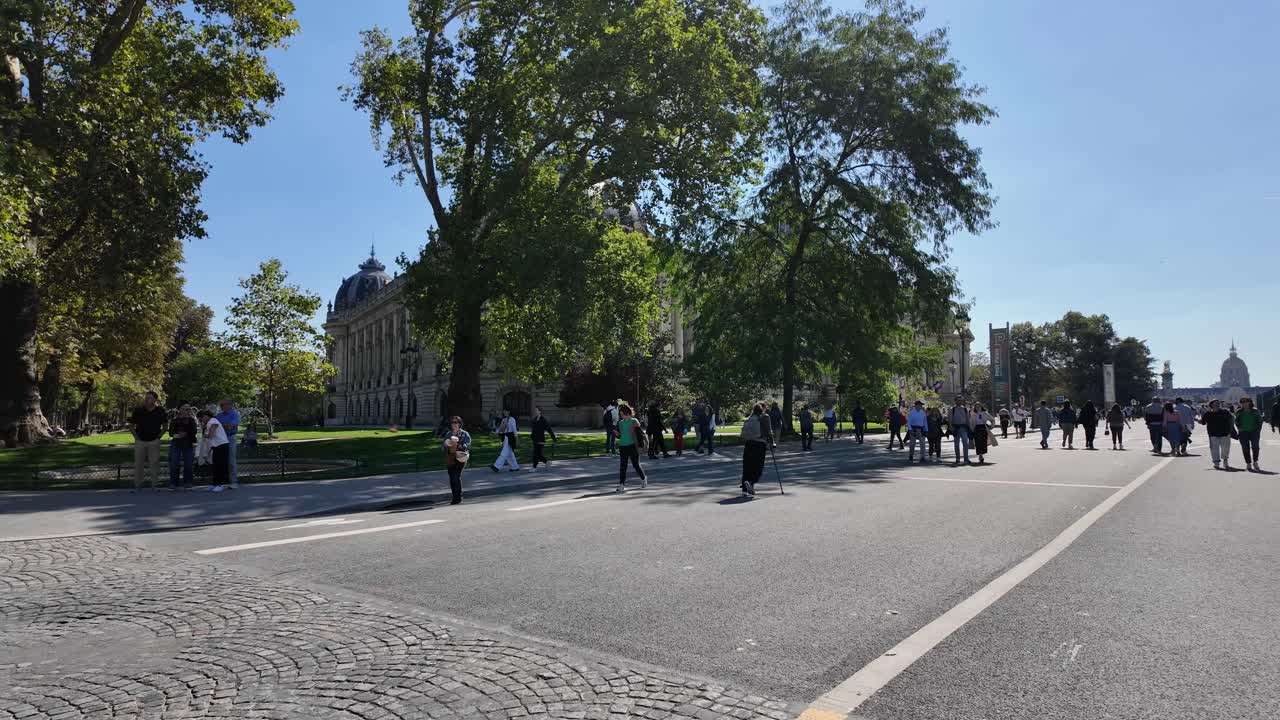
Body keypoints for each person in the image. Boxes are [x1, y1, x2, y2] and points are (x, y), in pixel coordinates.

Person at [128, 391, 167, 492]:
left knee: (154, 463)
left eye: (149, 398)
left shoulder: (160, 411)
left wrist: (159, 437)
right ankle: (138, 486)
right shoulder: (139, 410)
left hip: (154, 441)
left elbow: (165, 425)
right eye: (146, 397)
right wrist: (136, 437)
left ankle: (155, 485)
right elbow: (131, 425)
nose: (146, 399)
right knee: (138, 464)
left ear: (155, 400)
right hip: (140, 441)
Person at [738, 403, 774, 496]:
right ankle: (751, 482)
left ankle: (745, 490)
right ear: (763, 409)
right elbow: (769, 432)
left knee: (747, 467)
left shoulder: (749, 418)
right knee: (758, 468)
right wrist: (772, 443)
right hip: (759, 444)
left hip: (748, 444)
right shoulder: (764, 418)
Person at [615, 404, 647, 491]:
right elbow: (620, 435)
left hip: (632, 446)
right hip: (623, 446)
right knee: (623, 466)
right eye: (621, 414)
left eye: (623, 414)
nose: (621, 416)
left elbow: (640, 435)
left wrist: (641, 446)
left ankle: (643, 479)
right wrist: (617, 435)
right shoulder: (620, 423)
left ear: (628, 413)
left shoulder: (634, 421)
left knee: (635, 465)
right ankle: (621, 485)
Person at [197, 409, 230, 492]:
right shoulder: (208, 423)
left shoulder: (213, 421)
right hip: (216, 446)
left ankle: (220, 484)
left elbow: (211, 435)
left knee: (220, 465)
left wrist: (205, 433)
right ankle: (215, 484)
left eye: (201, 419)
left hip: (222, 445)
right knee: (215, 465)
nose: (201, 421)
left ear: (205, 416)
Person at [441, 416, 471, 504]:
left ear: (459, 424)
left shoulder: (464, 434)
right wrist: (447, 444)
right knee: (452, 477)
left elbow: (468, 445)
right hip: (450, 457)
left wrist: (460, 445)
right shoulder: (448, 434)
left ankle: (458, 497)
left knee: (456, 476)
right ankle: (455, 496)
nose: (454, 424)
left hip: (460, 457)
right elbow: (442, 447)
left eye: (456, 422)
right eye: (452, 423)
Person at [167, 406, 198, 491]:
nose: (185, 411)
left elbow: (194, 431)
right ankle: (173, 482)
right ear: (179, 410)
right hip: (176, 442)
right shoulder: (175, 420)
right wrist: (178, 434)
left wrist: (186, 433)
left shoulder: (191, 420)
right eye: (183, 409)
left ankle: (188, 482)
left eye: (187, 409)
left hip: (188, 443)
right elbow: (170, 433)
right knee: (174, 462)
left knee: (188, 463)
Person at [1198, 401, 1234, 470]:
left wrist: (1230, 428)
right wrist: (1197, 420)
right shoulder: (1208, 413)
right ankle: (1216, 463)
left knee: (1225, 449)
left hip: (1225, 433)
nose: (1217, 405)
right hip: (1213, 434)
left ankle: (1225, 461)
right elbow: (1203, 422)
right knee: (1214, 449)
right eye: (1215, 404)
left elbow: (1231, 418)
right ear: (1211, 405)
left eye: (1218, 404)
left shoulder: (1225, 411)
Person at [215, 398, 241, 489]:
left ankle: (234, 481)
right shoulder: (218, 416)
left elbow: (231, 426)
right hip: (220, 439)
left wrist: (221, 426)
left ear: (230, 405)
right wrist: (224, 426)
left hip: (230, 438)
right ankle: (220, 481)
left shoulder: (234, 415)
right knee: (220, 460)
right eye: (221, 405)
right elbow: (214, 426)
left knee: (231, 460)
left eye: (224, 405)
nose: (222, 407)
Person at [1235, 397, 1264, 471]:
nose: (1244, 403)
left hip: (1254, 432)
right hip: (1243, 432)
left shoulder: (1255, 411)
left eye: (1245, 402)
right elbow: (1236, 421)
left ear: (1250, 402)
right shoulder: (1239, 411)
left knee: (1255, 447)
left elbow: (1260, 421)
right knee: (1245, 448)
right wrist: (1239, 427)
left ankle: (1255, 461)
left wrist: (1257, 430)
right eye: (1242, 402)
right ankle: (1248, 463)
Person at [949, 399, 971, 464]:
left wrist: (969, 428)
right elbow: (950, 419)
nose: (959, 402)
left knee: (965, 444)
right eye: (957, 400)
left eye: (960, 401)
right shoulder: (952, 409)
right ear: (955, 401)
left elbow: (967, 419)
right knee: (956, 444)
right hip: (955, 428)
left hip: (964, 428)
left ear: (962, 401)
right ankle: (957, 459)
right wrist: (951, 427)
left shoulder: (965, 409)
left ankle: (966, 459)